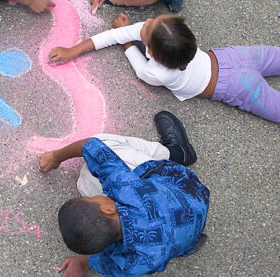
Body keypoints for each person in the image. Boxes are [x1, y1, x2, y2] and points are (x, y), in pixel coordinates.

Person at [49, 12, 280, 134]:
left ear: (150, 51)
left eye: (149, 25)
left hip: (237, 88)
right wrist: (74, 50)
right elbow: (116, 35)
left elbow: (131, 58)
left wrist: (128, 44)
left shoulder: (158, 73)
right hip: (235, 56)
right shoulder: (171, 38)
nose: (146, 22)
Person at [40, 112, 209, 276]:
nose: (92, 197)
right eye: (89, 199)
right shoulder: (128, 191)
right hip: (191, 195)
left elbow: (105, 262)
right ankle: (175, 152)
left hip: (180, 238)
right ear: (107, 209)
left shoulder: (134, 265)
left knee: (85, 182)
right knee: (99, 161)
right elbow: (93, 146)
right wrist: (56, 157)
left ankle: (190, 244)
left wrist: (82, 262)